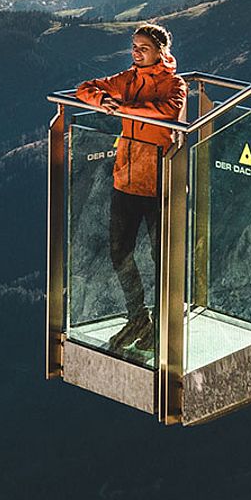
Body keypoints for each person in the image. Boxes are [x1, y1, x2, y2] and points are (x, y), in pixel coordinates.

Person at [74, 23, 185, 354]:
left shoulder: (174, 85)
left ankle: (164, 324)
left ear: (161, 52)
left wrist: (119, 107)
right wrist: (103, 99)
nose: (136, 52)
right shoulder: (128, 79)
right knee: (119, 251)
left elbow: (165, 113)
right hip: (126, 180)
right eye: (134, 46)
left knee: (161, 257)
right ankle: (139, 317)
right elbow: (84, 88)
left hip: (159, 183)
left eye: (143, 48)